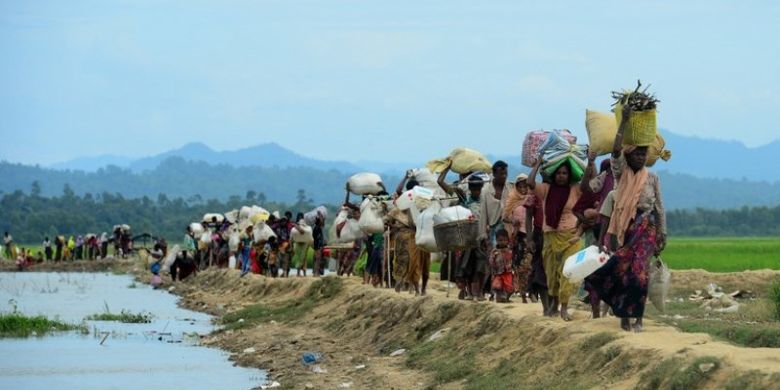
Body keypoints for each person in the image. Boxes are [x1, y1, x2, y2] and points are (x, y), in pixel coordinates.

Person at [588, 106, 667, 332]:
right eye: (637, 154)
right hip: (625, 228)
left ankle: (638, 318)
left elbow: (660, 209)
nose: (641, 158)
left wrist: (663, 233)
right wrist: (624, 124)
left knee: (640, 273)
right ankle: (623, 316)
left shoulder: (652, 178)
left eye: (644, 154)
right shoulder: (620, 174)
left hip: (646, 229)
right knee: (623, 272)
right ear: (628, 155)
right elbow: (614, 151)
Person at [528, 158, 583, 321]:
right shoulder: (546, 189)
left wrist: (591, 162)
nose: (561, 176)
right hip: (550, 236)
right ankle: (554, 304)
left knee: (567, 272)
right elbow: (530, 183)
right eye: (558, 173)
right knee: (551, 274)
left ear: (569, 175)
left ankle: (564, 307)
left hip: (571, 237)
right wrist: (537, 163)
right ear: (553, 174)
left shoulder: (575, 189)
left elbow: (590, 181)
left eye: (565, 173)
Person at [437, 165, 487, 301]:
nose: (477, 191)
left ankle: (479, 292)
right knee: (466, 266)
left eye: (479, 189)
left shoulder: (485, 200)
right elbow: (440, 182)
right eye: (474, 189)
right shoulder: (463, 198)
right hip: (466, 239)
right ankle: (468, 292)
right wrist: (447, 168)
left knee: (481, 266)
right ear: (470, 189)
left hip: (481, 238)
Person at [503, 174, 532, 302]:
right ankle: (521, 293)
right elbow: (504, 216)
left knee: (529, 266)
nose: (522, 189)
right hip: (518, 236)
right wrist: (513, 221)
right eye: (519, 186)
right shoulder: (512, 199)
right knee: (518, 266)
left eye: (524, 186)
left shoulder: (533, 198)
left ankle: (529, 292)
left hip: (531, 236)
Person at [488, 230, 514, 303]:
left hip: (508, 272)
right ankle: (499, 298)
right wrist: (493, 266)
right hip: (498, 272)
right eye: (500, 240)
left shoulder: (509, 250)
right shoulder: (494, 251)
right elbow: (491, 260)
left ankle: (506, 298)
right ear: (496, 240)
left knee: (510, 288)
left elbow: (512, 258)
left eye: (504, 240)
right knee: (497, 286)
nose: (502, 242)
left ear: (507, 240)